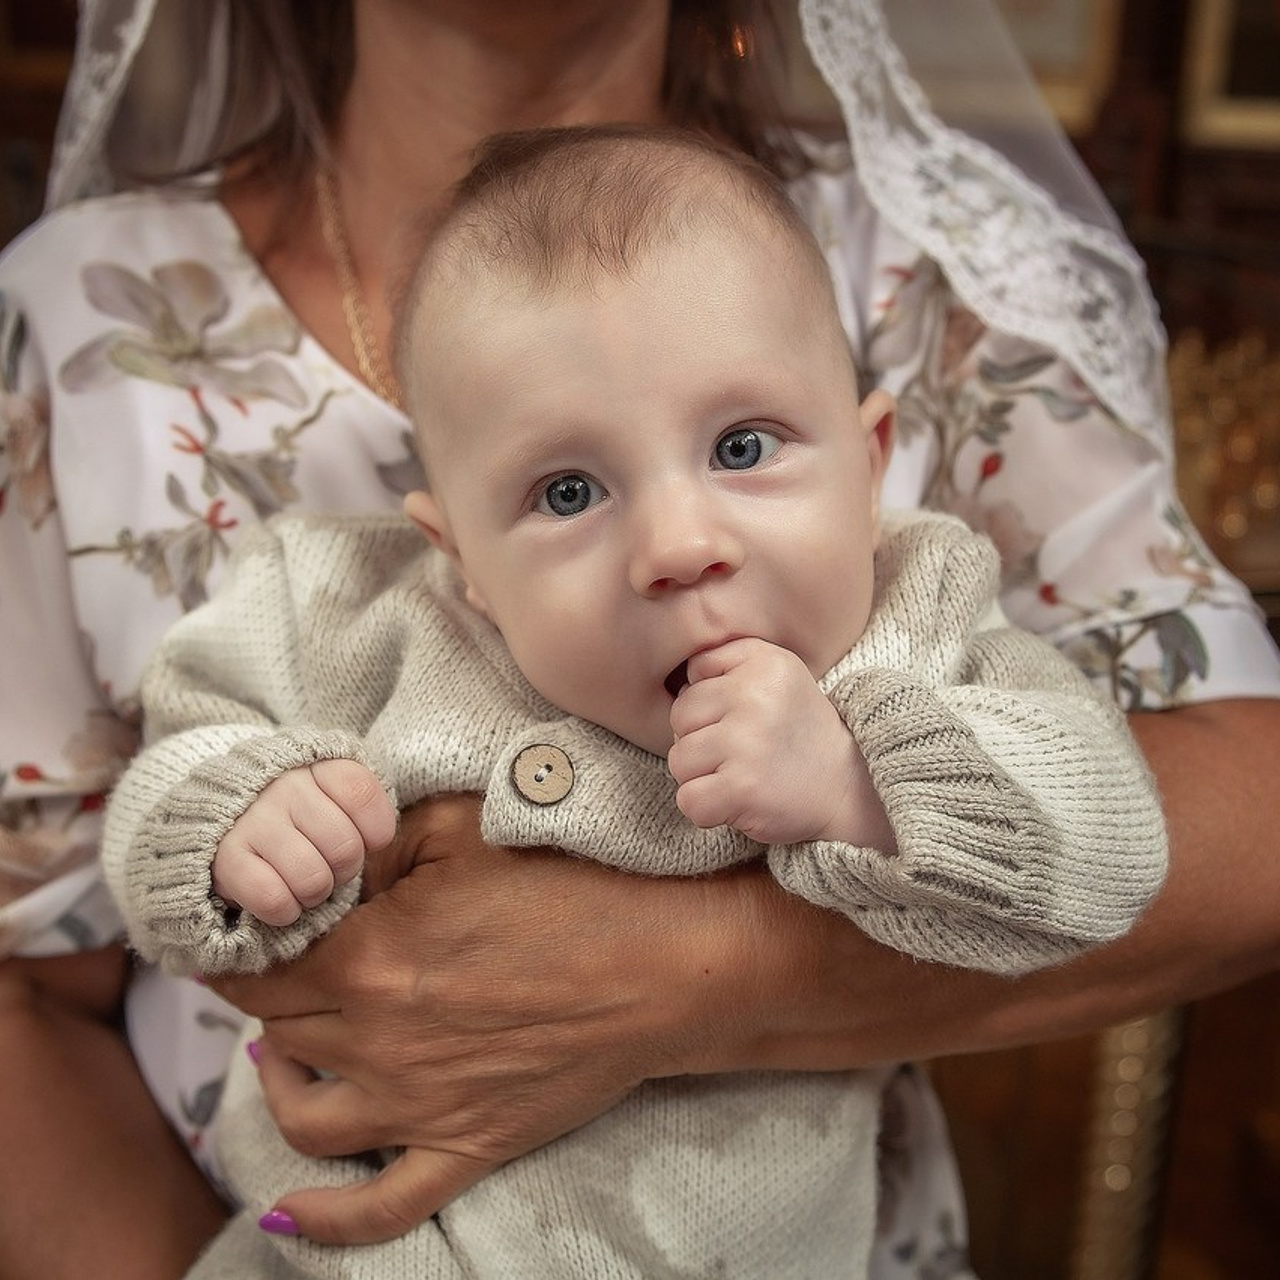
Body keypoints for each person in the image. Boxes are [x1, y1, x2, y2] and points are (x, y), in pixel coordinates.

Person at [0, 1, 1277, 1277]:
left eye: (742, 448)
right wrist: (237, 823)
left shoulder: (920, 441)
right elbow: (89, 894)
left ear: (871, 459)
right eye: (565, 492)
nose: (677, 543)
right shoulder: (324, 584)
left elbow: (1155, 816)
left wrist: (799, 852)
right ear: (459, 561)